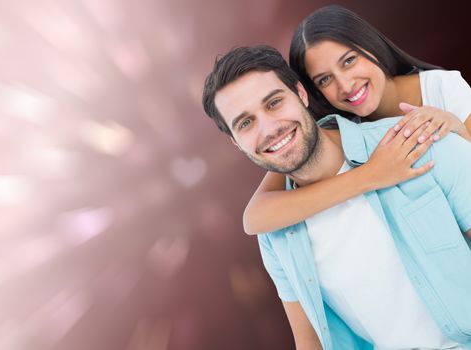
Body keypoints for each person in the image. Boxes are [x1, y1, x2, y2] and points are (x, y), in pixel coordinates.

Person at [201, 45, 471, 349]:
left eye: (274, 103)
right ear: (237, 144)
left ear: (301, 94)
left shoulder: (417, 140)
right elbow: (309, 340)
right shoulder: (276, 235)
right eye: (245, 123)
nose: (269, 129)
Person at [243, 5, 471, 236]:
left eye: (349, 61)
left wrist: (458, 129)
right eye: (324, 80)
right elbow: (254, 218)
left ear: (370, 45)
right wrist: (372, 174)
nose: (345, 85)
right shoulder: (336, 130)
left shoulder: (443, 88)